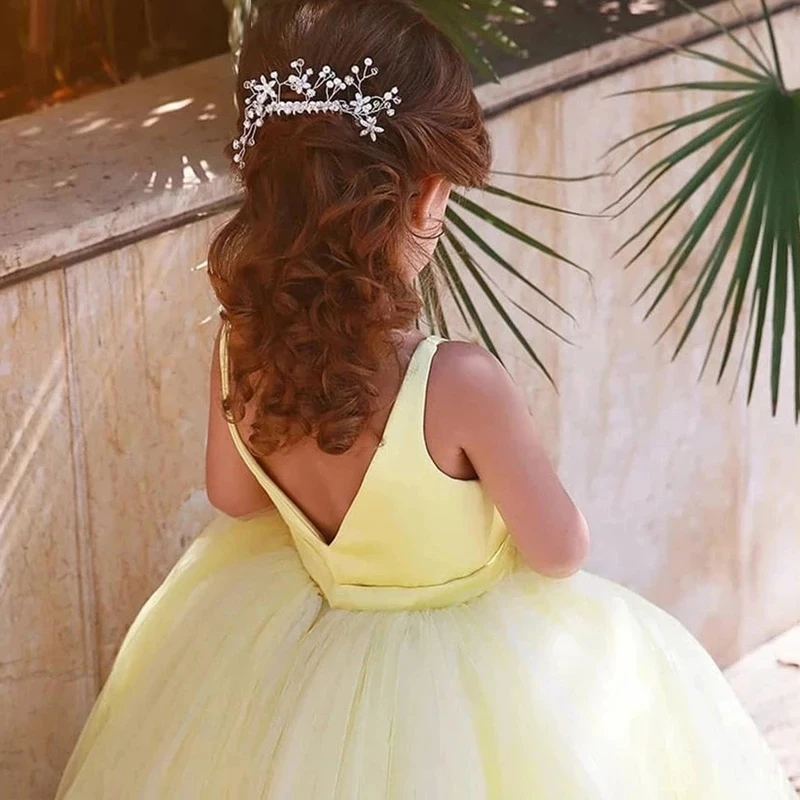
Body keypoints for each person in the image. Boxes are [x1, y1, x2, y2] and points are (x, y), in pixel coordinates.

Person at [56, 0, 794, 797]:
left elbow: (233, 497)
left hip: (303, 662)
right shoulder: (458, 381)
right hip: (462, 686)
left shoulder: (240, 346)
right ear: (427, 195)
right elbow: (559, 550)